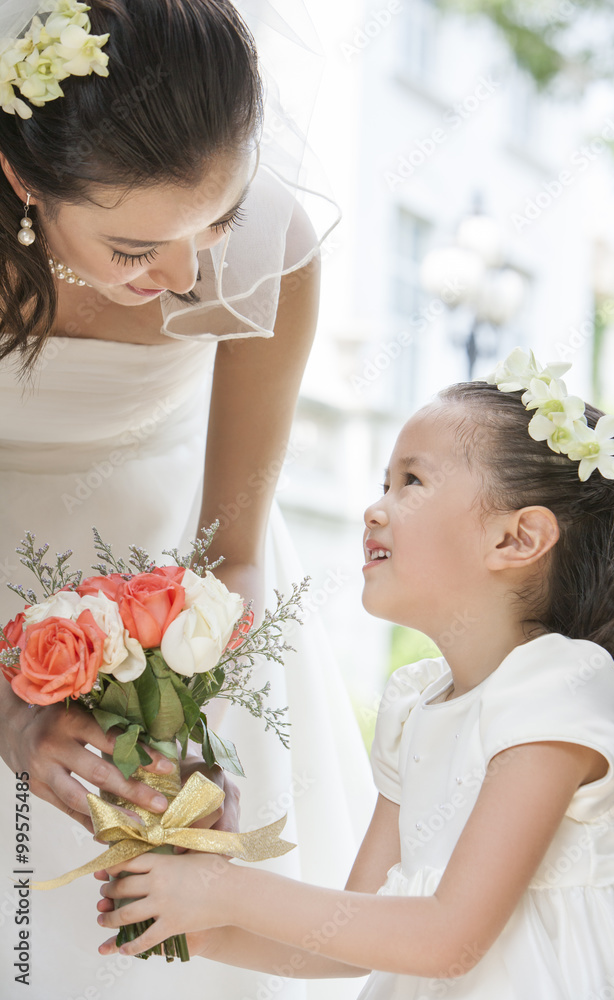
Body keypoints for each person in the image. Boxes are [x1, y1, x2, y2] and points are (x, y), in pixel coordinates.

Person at [0, 2, 373, 999]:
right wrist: (11, 707)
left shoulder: (273, 247)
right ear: (24, 181)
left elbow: (234, 546)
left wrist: (194, 702)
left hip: (172, 581)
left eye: (218, 216)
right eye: (133, 250)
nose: (191, 270)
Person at [96, 348, 614, 998]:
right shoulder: (414, 709)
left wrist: (225, 887)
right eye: (382, 483)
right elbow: (352, 937)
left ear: (516, 539)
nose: (374, 508)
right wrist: (204, 927)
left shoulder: (559, 684)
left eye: (411, 483)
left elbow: (448, 937)